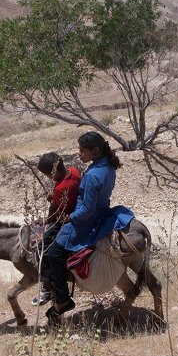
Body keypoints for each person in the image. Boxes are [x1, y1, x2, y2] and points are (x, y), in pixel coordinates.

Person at [45, 131, 122, 318]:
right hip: (103, 212)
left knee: (53, 254)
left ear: (95, 151)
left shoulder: (92, 175)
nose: (79, 154)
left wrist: (69, 218)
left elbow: (87, 209)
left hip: (86, 220)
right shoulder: (107, 167)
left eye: (82, 150)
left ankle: (62, 299)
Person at [31, 152, 81, 306]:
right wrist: (54, 196)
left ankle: (48, 287)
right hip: (71, 210)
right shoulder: (74, 171)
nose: (48, 177)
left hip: (66, 220)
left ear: (53, 172)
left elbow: (56, 214)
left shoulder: (61, 187)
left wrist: (46, 219)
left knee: (41, 249)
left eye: (47, 175)